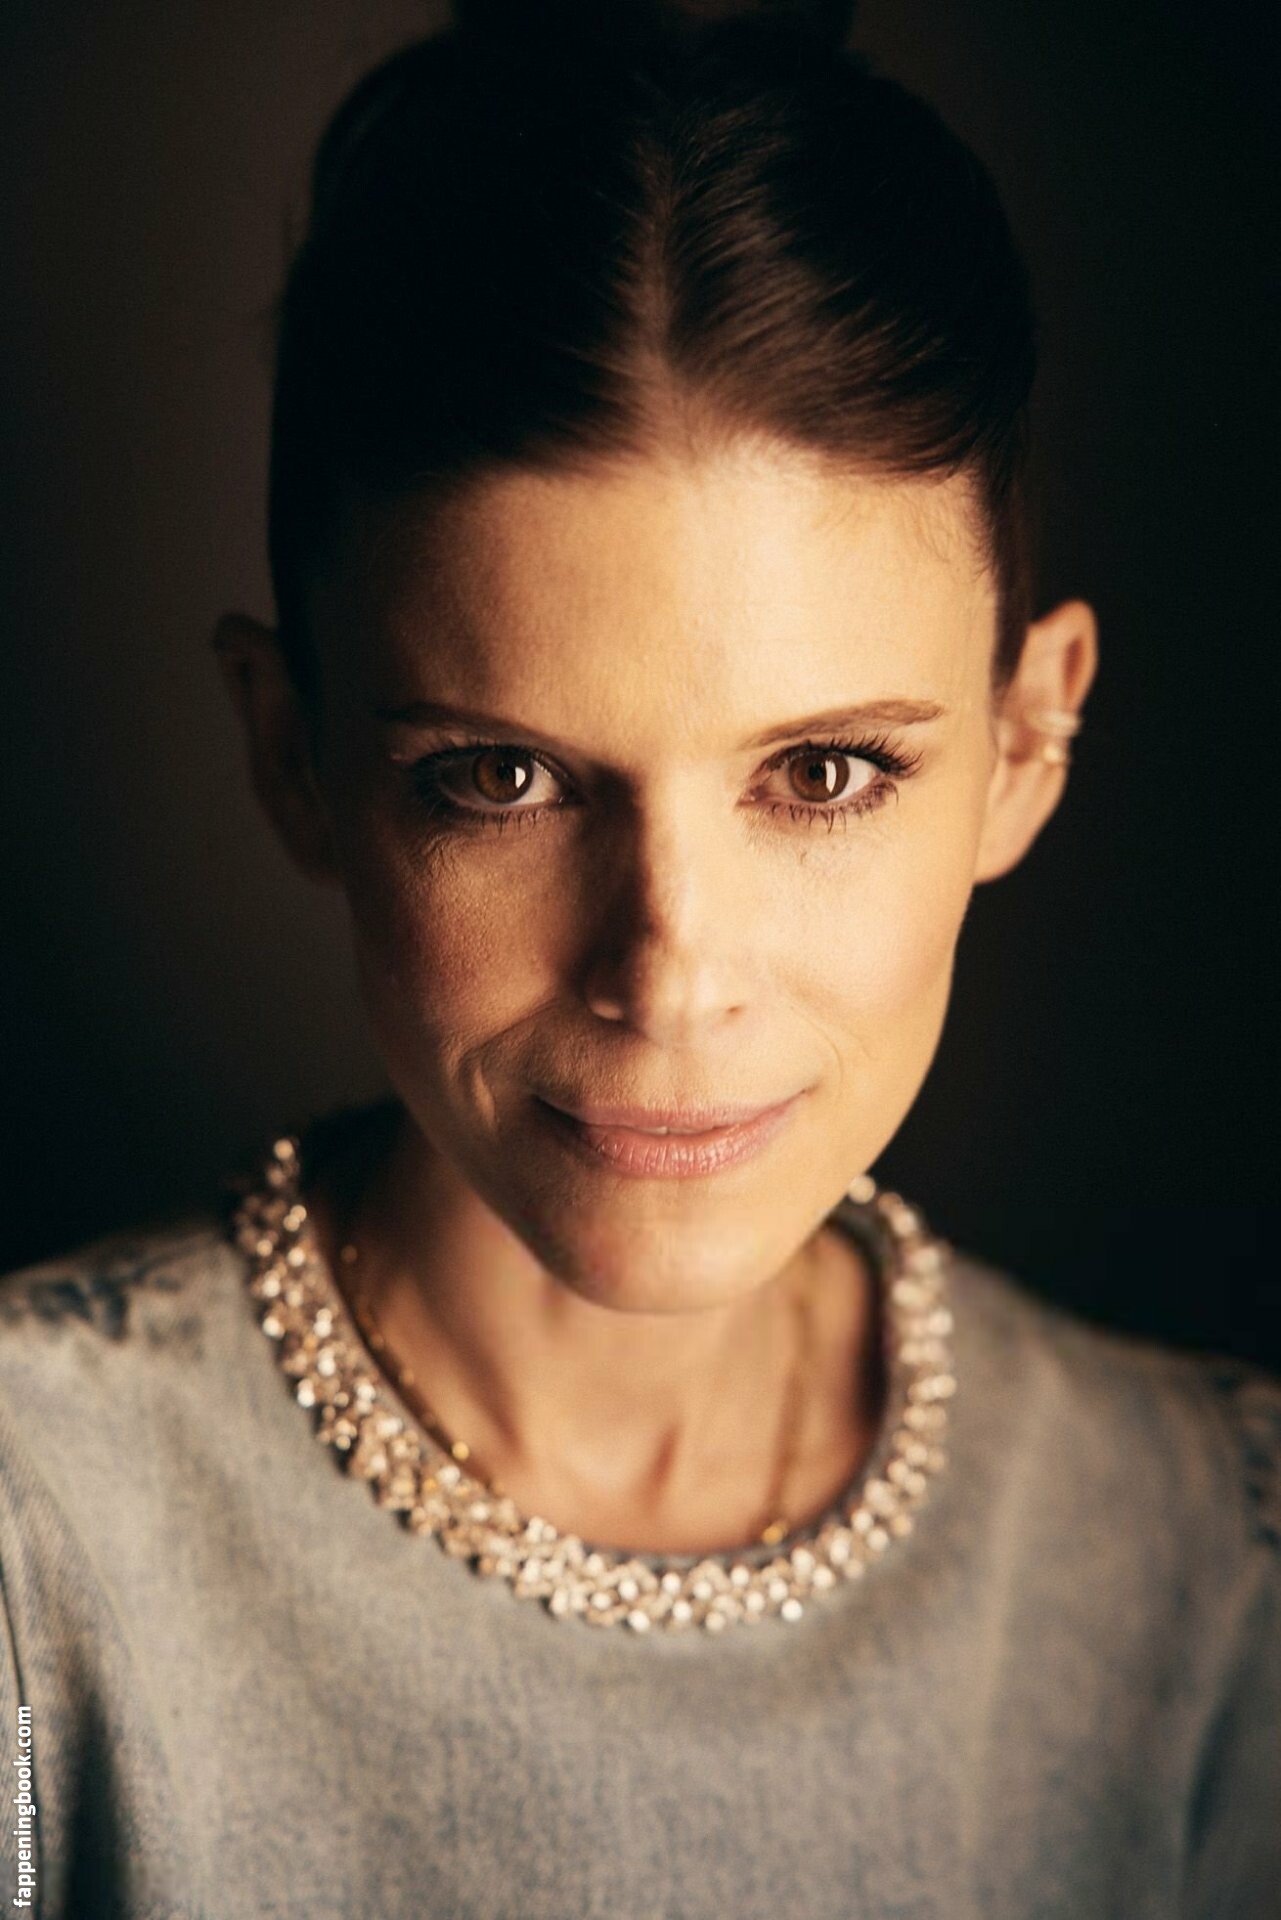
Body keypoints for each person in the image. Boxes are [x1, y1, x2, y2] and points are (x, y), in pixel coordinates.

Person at [1, 2, 1277, 1914]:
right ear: (294, 757)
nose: (670, 975)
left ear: (1026, 743)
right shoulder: (36, 1552)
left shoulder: (1218, 1572)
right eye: (500, 777)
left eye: (822, 773)